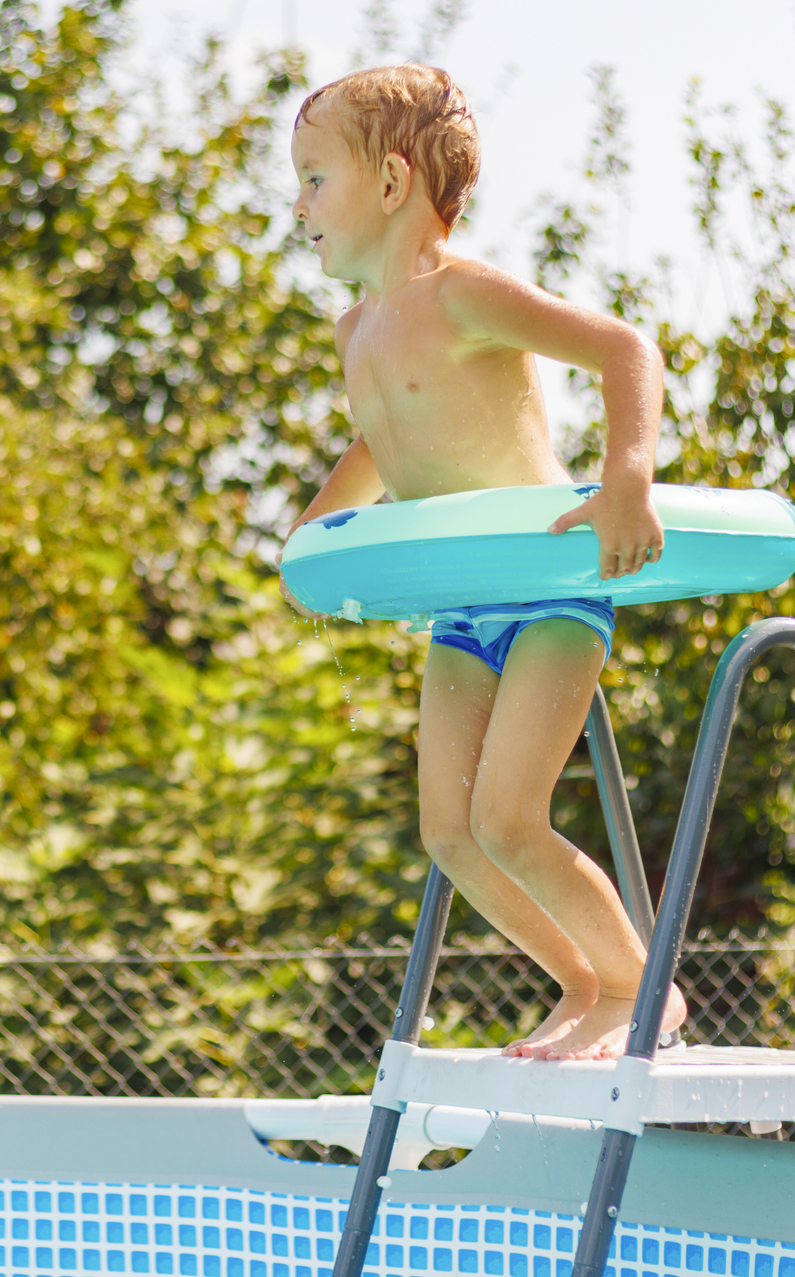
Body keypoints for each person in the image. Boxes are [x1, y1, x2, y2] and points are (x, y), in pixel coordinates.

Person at [282, 65, 685, 1060]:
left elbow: (624, 350)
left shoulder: (461, 295)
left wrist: (625, 477)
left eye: (312, 179)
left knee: (507, 819)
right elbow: (384, 440)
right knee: (448, 835)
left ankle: (644, 993)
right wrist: (316, 540)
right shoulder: (354, 329)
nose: (297, 206)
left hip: (549, 585)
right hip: (463, 605)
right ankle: (584, 982)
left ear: (391, 184)